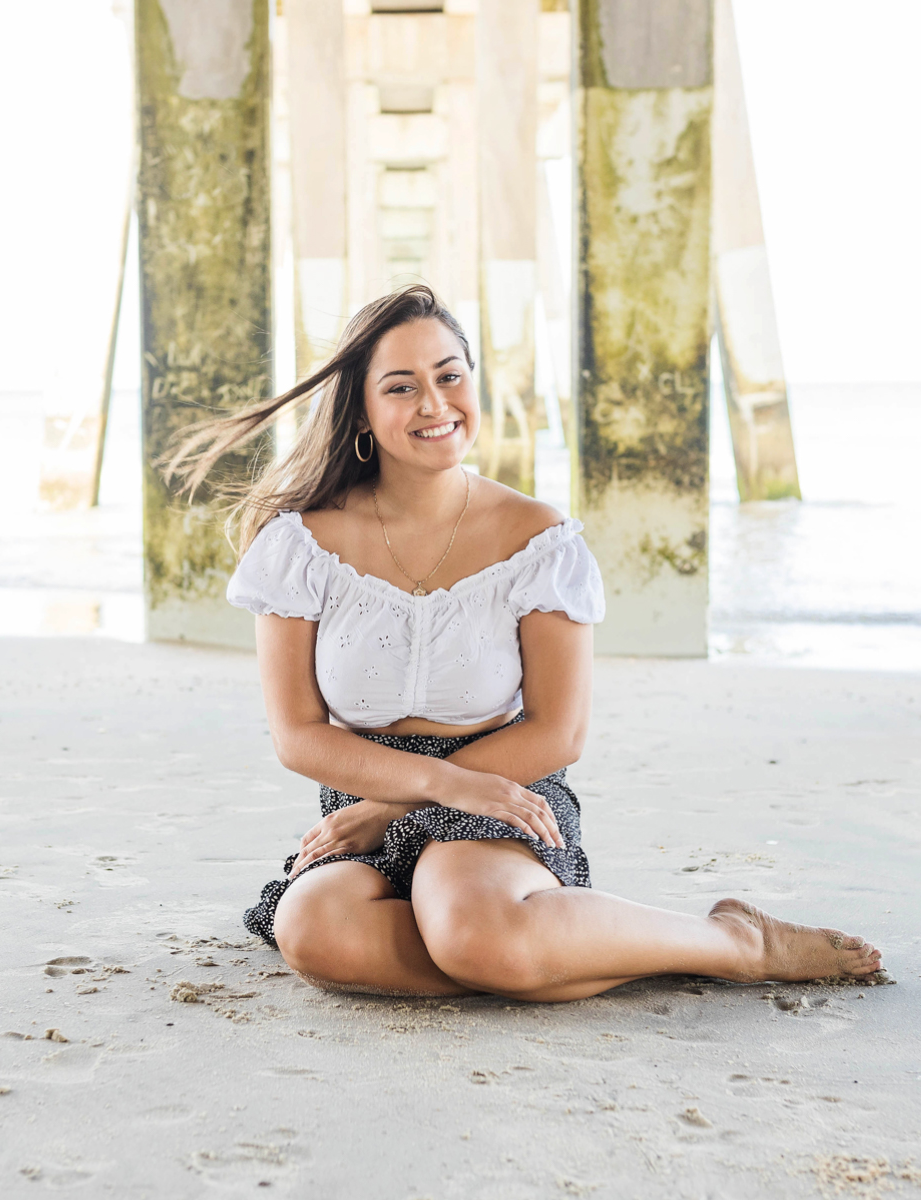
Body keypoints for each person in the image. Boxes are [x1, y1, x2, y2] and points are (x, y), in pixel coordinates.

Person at [161, 285, 881, 1001]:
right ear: (362, 410)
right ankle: (532, 952)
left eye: (450, 376)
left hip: (506, 790)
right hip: (363, 806)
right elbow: (298, 737)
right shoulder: (300, 546)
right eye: (402, 386)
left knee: (469, 925)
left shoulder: (537, 539)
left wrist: (431, 798)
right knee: (314, 928)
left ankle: (736, 941)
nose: (436, 405)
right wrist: (410, 795)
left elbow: (558, 730)